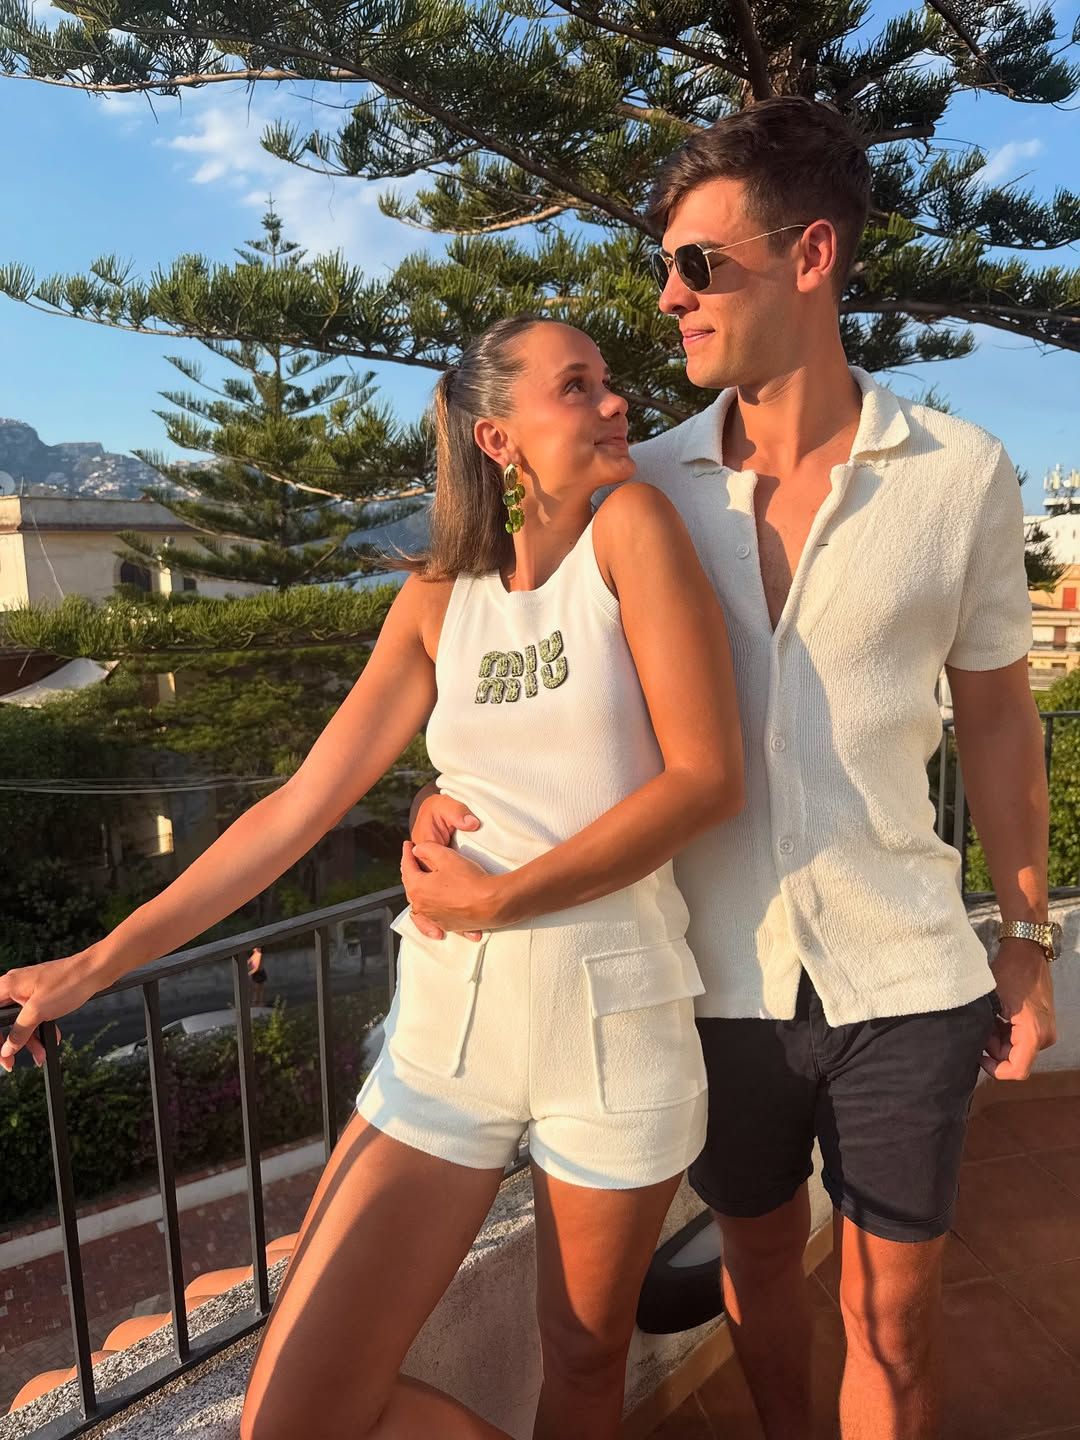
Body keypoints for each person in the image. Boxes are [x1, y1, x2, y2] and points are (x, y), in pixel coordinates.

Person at [409, 98, 1058, 1440]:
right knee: (757, 1269)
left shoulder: (959, 475)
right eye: (667, 268)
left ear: (810, 254)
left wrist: (1029, 937)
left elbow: (1001, 720)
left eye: (698, 264)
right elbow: (513, 646)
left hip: (907, 973)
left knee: (894, 1318)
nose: (671, 298)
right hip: (710, 980)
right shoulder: (632, 488)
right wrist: (448, 787)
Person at [0, 316, 744, 1440]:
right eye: (577, 386)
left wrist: (497, 896)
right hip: (449, 1033)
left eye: (608, 382)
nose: (614, 403)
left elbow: (707, 778)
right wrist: (94, 965)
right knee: (293, 1414)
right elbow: (300, 806)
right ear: (498, 438)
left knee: (585, 1361)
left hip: (614, 1013)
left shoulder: (632, 530)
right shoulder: (438, 598)